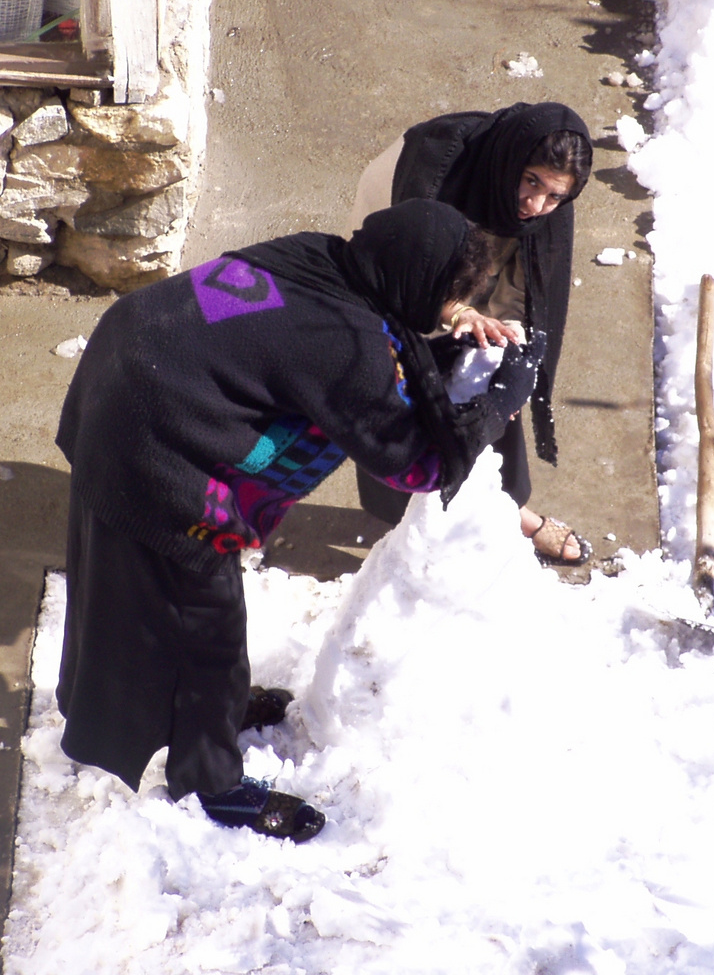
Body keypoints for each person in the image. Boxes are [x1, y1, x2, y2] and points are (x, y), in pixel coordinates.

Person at [53, 199, 546, 843]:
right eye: (449, 294)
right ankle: (210, 780)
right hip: (155, 443)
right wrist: (502, 398)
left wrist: (449, 315)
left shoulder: (322, 259)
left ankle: (208, 712)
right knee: (206, 619)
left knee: (131, 581)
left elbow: (362, 348)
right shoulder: (342, 344)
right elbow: (415, 464)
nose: (449, 308)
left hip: (126, 373)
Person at [346, 101, 594, 565]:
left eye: (555, 196)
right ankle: (411, 526)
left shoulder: (544, 209)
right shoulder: (434, 171)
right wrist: (456, 310)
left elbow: (531, 290)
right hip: (401, 256)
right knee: (401, 385)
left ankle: (505, 509)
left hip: (474, 263)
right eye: (532, 181)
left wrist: (509, 356)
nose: (537, 205)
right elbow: (401, 273)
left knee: (489, 375)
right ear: (511, 162)